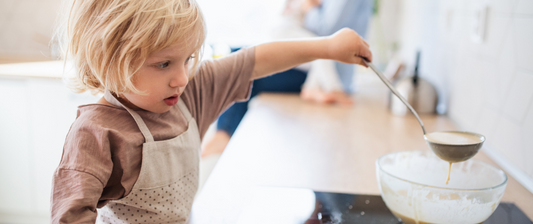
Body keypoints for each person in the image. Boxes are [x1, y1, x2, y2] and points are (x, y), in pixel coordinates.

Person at [50, 0, 371, 222]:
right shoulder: (96, 133)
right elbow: (70, 216)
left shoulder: (191, 93)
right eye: (163, 64)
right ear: (109, 57)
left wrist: (327, 47)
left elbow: (255, 60)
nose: (181, 77)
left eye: (188, 59)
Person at [201, 0, 373, 157]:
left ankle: (223, 133)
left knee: (244, 72)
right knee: (237, 57)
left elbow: (328, 34)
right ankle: (222, 132)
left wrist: (309, 8)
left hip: (322, 66)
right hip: (303, 52)